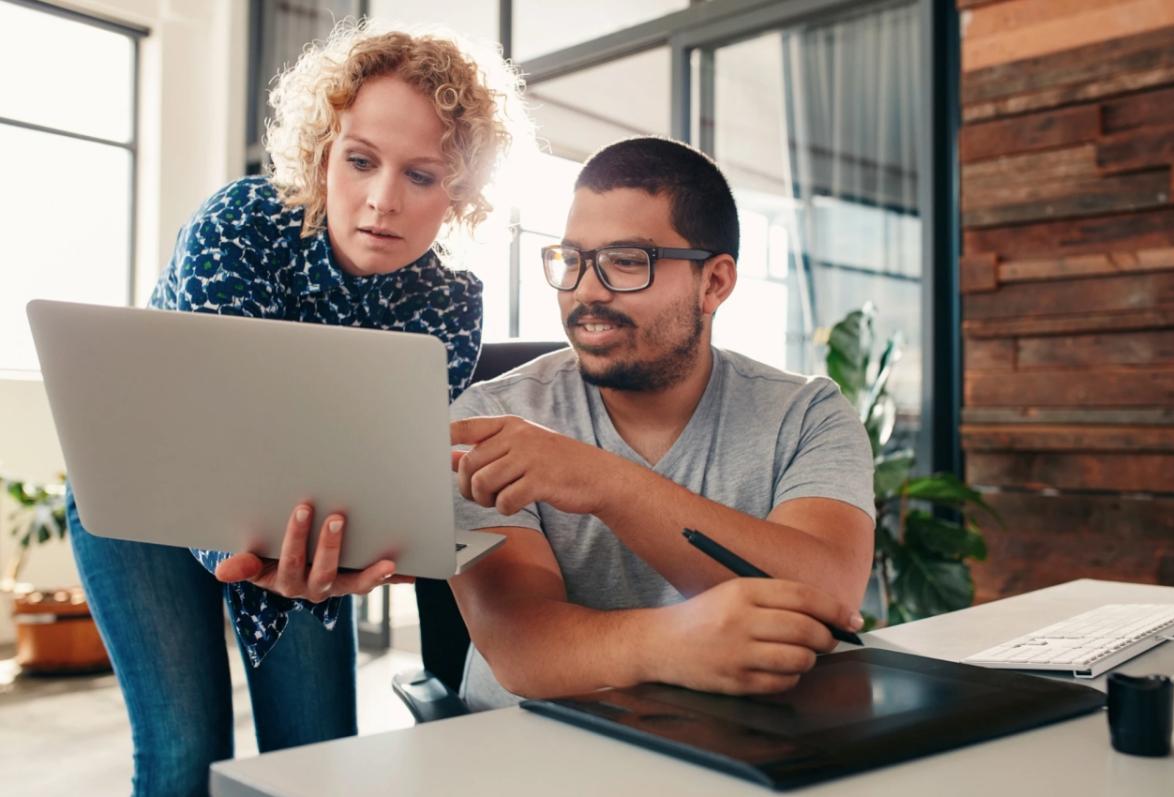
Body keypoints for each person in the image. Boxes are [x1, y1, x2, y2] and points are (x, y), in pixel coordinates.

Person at [64, 20, 525, 795]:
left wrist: (364, 549)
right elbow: (215, 437)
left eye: (422, 176)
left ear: (461, 193)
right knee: (183, 754)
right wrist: (254, 559)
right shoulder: (239, 224)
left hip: (309, 530)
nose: (383, 201)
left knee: (316, 758)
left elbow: (381, 472)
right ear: (321, 153)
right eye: (360, 160)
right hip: (144, 492)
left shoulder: (451, 300)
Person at [445, 137, 876, 710]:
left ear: (714, 283)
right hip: (529, 750)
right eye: (571, 260)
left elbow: (827, 600)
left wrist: (606, 483)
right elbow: (521, 648)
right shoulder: (488, 418)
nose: (586, 291)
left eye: (626, 262)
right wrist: (675, 643)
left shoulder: (807, 415)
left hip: (738, 741)